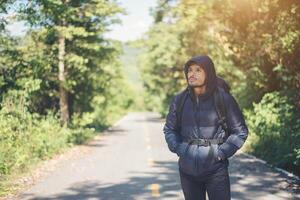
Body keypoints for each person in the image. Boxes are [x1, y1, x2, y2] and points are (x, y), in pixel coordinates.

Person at [163, 55, 249, 200]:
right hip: (187, 170)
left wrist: (221, 153)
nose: (192, 74)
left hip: (216, 170)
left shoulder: (224, 99)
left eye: (198, 70)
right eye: (189, 70)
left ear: (208, 73)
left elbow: (240, 131)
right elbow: (170, 129)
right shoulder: (179, 100)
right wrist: (179, 148)